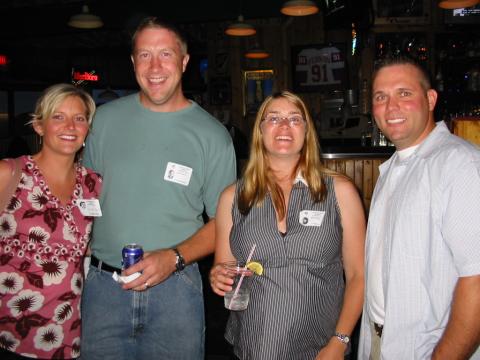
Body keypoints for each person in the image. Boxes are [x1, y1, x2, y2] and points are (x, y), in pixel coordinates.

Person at [80, 17, 236, 360]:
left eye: (165, 54)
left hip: (176, 290)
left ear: (184, 61)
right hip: (104, 287)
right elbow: (82, 199)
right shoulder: (102, 122)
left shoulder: (212, 136)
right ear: (133, 62)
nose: (154, 66)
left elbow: (225, 223)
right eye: (144, 55)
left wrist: (174, 257)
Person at [210, 91, 365, 359]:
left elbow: (359, 276)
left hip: (322, 348)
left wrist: (339, 341)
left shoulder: (340, 192)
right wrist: (217, 276)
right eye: (274, 118)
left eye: (295, 119)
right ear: (260, 130)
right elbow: (224, 266)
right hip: (254, 346)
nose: (284, 126)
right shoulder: (232, 198)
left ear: (307, 131)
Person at [358, 55, 480, 359]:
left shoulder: (459, 164)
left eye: (404, 93)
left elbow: (477, 279)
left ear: (430, 99)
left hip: (429, 350)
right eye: (380, 97)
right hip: (380, 341)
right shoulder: (393, 169)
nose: (391, 107)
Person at [0, 83, 102, 359]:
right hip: (10, 333)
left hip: (67, 335)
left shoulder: (94, 183)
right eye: (58, 117)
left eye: (79, 118)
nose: (70, 126)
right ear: (39, 126)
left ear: (87, 129)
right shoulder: (9, 173)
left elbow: (90, 243)